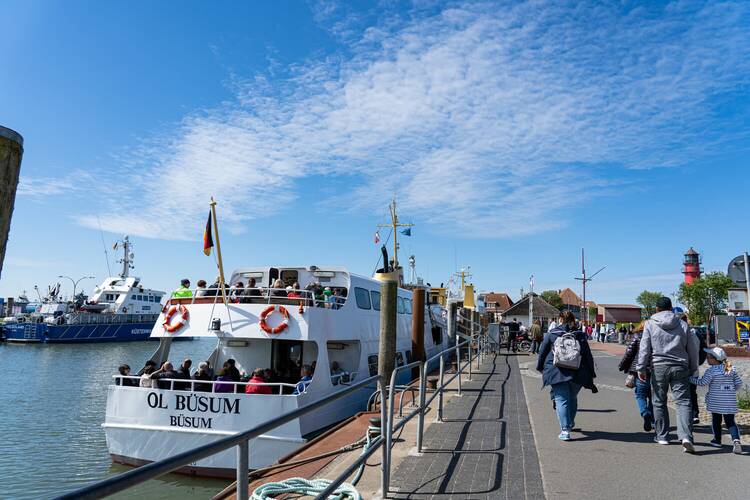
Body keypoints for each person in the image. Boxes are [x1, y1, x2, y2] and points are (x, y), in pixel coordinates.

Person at [636, 297, 699, 453]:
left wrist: (641, 368)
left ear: (657, 309)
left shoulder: (650, 324)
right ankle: (686, 436)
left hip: (659, 366)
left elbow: (644, 348)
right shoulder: (683, 324)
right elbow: (692, 349)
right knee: (683, 402)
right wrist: (693, 368)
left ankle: (662, 435)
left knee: (659, 401)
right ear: (671, 308)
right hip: (680, 366)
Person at [536, 310, 597, 441]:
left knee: (561, 399)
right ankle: (570, 422)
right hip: (578, 372)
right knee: (572, 398)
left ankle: (565, 430)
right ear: (572, 320)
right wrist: (591, 373)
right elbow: (587, 356)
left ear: (560, 319)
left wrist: (540, 367)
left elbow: (542, 353)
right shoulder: (580, 335)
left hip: (557, 371)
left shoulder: (552, 334)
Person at [690, 347, 743, 454]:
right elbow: (739, 383)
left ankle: (717, 440)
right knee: (730, 422)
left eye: (708, 357)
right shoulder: (729, 367)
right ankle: (736, 440)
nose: (707, 359)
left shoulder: (711, 370)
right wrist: (731, 390)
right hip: (729, 401)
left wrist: (690, 379)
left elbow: (702, 383)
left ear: (715, 359)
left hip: (716, 401)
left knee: (716, 421)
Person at [619, 321, 653, 431]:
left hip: (640, 370)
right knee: (653, 396)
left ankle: (645, 412)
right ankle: (651, 418)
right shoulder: (657, 336)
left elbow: (629, 353)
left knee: (640, 395)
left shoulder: (637, 337)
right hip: (655, 370)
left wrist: (622, 365)